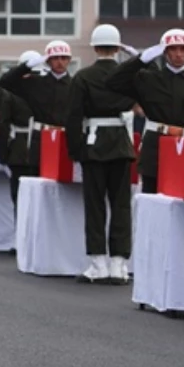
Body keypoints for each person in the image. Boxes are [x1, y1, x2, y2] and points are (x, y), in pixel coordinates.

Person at [65, 24, 141, 285]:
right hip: (120, 143)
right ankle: (120, 264)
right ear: (118, 48)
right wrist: (135, 56)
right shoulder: (127, 76)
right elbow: (151, 77)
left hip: (93, 144)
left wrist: (75, 150)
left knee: (95, 205)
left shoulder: (84, 77)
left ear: (95, 47)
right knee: (121, 204)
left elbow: (73, 116)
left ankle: (98, 263)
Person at [106, 28, 184, 194]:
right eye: (173, 49)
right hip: (155, 150)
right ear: (164, 52)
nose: (179, 54)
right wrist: (140, 60)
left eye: (183, 49)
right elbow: (113, 82)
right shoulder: (148, 79)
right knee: (152, 202)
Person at [0, 50, 43, 212]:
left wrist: (3, 155)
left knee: (21, 197)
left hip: (21, 151)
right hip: (31, 150)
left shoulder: (10, 95)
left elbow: (3, 126)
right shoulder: (13, 94)